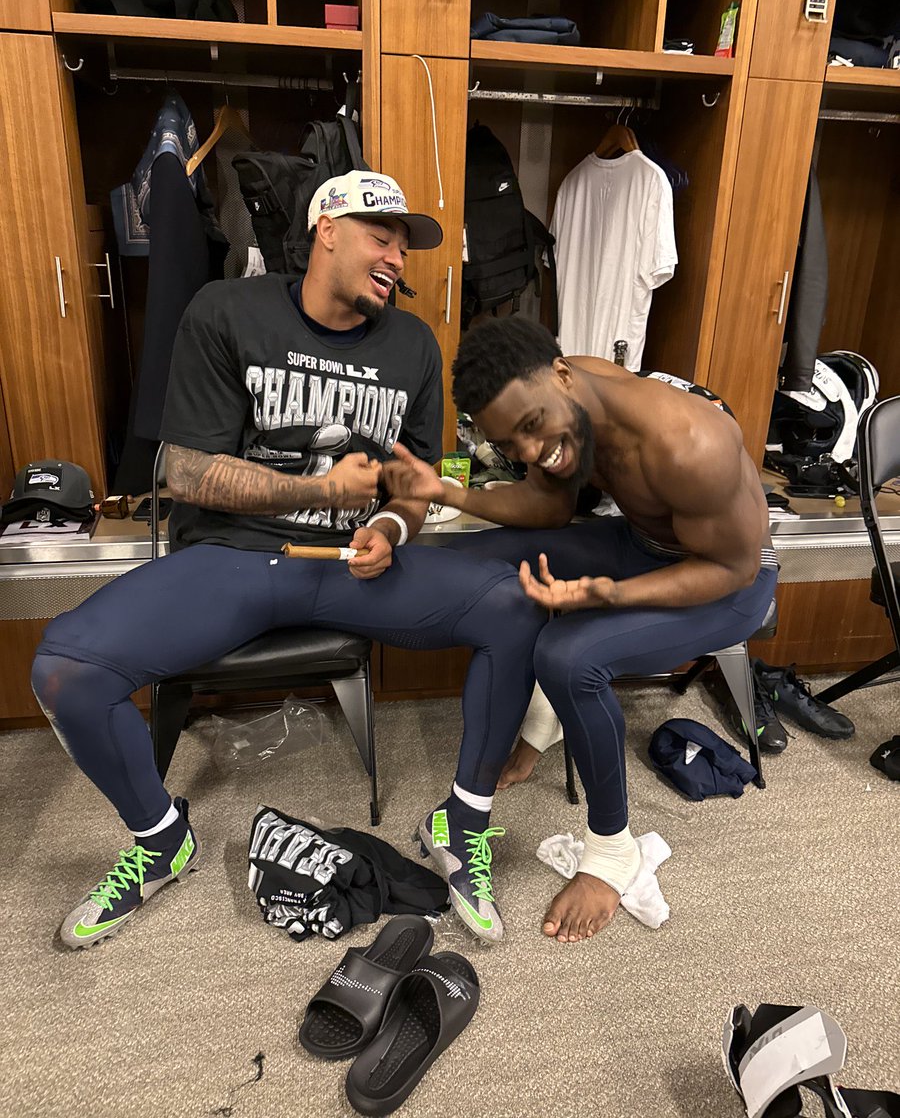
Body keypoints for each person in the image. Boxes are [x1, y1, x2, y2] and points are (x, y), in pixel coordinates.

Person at [32, 173, 545, 950]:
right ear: (326, 230)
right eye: (383, 235)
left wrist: (394, 531)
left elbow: (415, 485)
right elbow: (185, 472)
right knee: (65, 670)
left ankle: (460, 820)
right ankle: (161, 839)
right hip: (237, 560)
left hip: (354, 565)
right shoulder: (226, 310)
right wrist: (315, 487)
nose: (398, 257)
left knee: (515, 603)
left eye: (405, 245)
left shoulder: (411, 345)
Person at [383, 316, 778, 945]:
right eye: (513, 445)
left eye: (534, 428)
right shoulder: (568, 395)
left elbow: (735, 567)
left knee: (568, 655)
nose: (532, 452)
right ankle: (504, 755)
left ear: (561, 376)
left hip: (726, 584)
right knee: (476, 563)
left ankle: (611, 849)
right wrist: (448, 494)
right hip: (644, 544)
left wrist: (611, 595)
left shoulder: (689, 443)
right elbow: (548, 506)